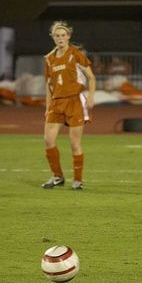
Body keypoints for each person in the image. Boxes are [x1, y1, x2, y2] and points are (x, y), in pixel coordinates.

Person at [42, 21, 96, 190]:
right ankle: (57, 176)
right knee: (48, 140)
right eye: (57, 36)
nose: (60, 38)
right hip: (57, 103)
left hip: (74, 101)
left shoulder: (76, 54)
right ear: (53, 37)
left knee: (74, 144)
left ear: (68, 37)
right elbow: (49, 85)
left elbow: (91, 77)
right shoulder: (49, 59)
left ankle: (78, 180)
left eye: (63, 35)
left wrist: (91, 96)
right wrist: (47, 106)